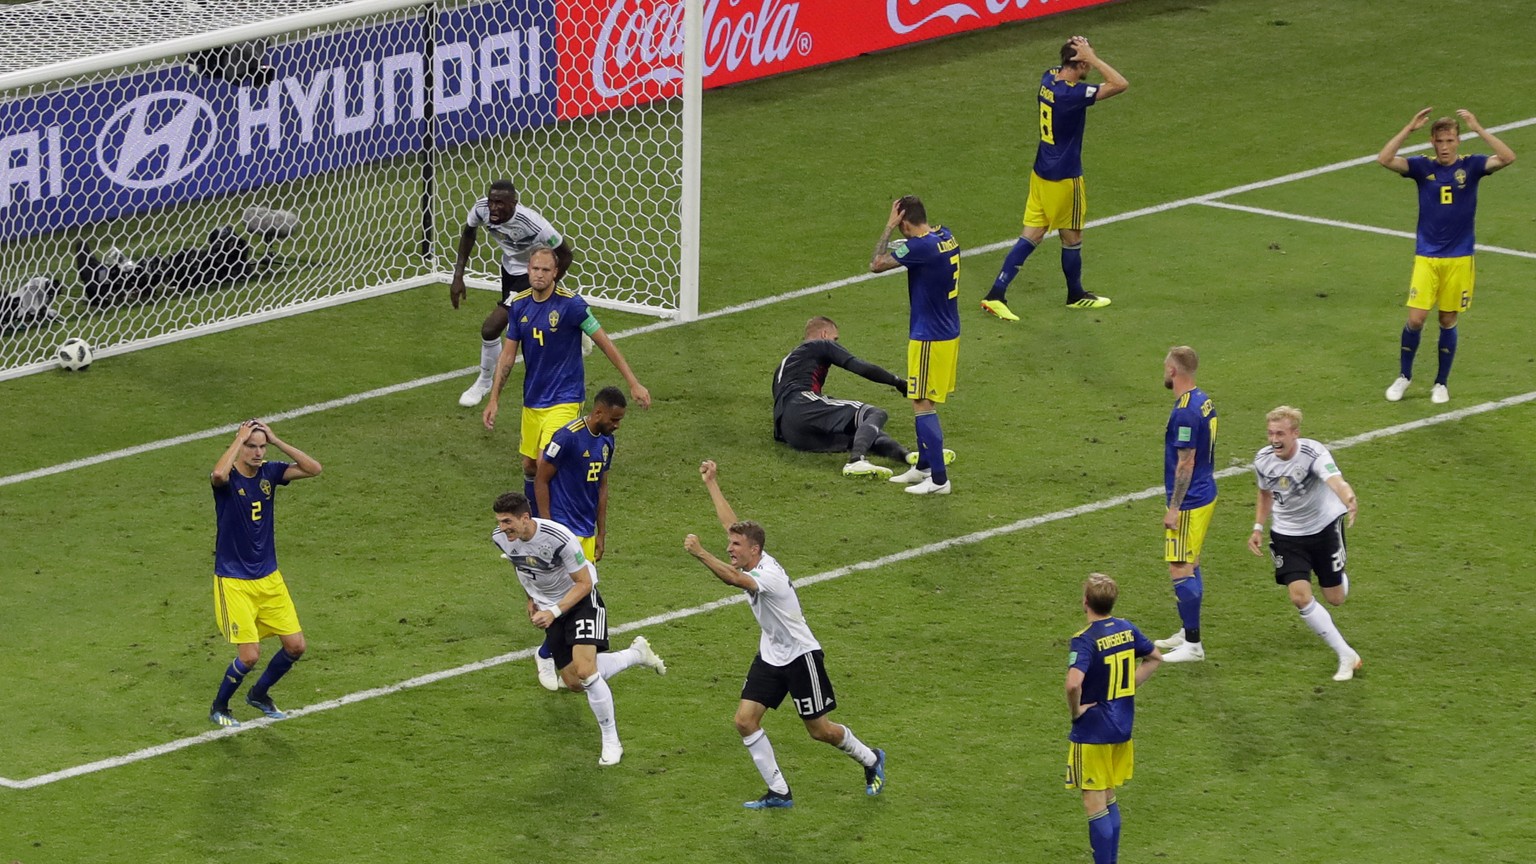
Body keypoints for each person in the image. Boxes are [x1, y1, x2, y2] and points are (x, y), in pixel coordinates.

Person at [684, 460, 886, 809]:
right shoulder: (751, 556)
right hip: (771, 654)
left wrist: (702, 553)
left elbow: (734, 581)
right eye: (729, 544)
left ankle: (871, 759)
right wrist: (712, 483)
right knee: (745, 721)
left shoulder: (768, 575)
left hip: (800, 656)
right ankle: (779, 792)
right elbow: (729, 522)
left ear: (755, 550)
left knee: (819, 731)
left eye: (735, 545)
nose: (730, 548)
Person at [491, 491, 666, 766]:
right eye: (500, 522)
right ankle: (636, 654)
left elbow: (584, 583)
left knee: (586, 671)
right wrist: (531, 599)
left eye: (507, 522)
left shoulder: (559, 537)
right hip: (550, 608)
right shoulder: (501, 539)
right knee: (574, 682)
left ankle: (611, 741)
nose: (503, 528)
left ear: (525, 518)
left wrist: (554, 611)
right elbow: (522, 566)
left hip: (581, 601)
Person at [482, 246, 651, 516]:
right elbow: (508, 356)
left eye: (545, 270)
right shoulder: (519, 305)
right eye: (535, 269)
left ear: (556, 273)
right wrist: (493, 399)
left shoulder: (571, 305)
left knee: (545, 461)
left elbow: (604, 342)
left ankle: (549, 526)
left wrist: (633, 382)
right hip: (533, 400)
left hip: (565, 398)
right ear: (528, 270)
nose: (539, 275)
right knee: (528, 465)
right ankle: (535, 520)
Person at [982, 35, 1127, 320]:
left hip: (1041, 173)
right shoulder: (1071, 95)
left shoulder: (1048, 79)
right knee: (1071, 237)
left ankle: (995, 294)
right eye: (1087, 62)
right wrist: (1094, 59)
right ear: (1082, 63)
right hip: (1064, 177)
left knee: (1032, 234)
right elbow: (1120, 84)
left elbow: (1066, 70)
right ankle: (1075, 295)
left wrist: (1079, 51)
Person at [1378, 108, 1516, 404]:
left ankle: (1441, 383)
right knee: (1415, 319)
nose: (1444, 146)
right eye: (1439, 140)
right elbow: (1385, 159)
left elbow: (1507, 157)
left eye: (1450, 140)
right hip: (1426, 257)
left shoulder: (1473, 166)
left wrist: (1479, 129)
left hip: (1460, 258)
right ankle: (1404, 376)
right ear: (1432, 141)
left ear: (1458, 141)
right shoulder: (1420, 167)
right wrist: (1407, 128)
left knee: (1447, 319)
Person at [208, 419, 323, 727]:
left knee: (296, 646)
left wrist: (277, 440)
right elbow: (218, 474)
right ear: (241, 446)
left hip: (269, 578)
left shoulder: (270, 473)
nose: (258, 452)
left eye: (261, 446)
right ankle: (219, 707)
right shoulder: (229, 478)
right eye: (251, 446)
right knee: (249, 656)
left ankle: (259, 694)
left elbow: (314, 469)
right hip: (233, 580)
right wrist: (238, 439)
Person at [1249, 406, 1363, 681]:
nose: (1274, 439)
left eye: (1280, 433)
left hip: (1324, 528)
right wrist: (1258, 528)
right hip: (1287, 535)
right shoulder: (1263, 460)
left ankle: (1335, 574)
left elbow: (1335, 480)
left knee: (1335, 598)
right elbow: (1265, 493)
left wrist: (1349, 498)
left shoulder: (1313, 453)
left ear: (1295, 433)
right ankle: (1346, 655)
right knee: (1299, 596)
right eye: (1270, 433)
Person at [529, 385, 629, 691]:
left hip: (586, 533)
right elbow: (541, 478)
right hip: (562, 531)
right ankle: (546, 654)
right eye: (613, 419)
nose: (616, 425)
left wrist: (602, 532)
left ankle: (550, 652)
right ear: (598, 411)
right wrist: (547, 527)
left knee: (578, 599)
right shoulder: (567, 436)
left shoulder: (607, 442)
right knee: (570, 598)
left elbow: (602, 487)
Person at [450, 179, 573, 407]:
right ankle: (570, 326)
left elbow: (565, 254)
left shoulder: (534, 224)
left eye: (500, 203)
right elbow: (469, 233)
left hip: (531, 274)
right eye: (491, 201)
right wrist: (458, 276)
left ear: (514, 203)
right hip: (508, 270)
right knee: (524, 326)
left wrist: (546, 284)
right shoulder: (481, 209)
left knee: (491, 328)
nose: (494, 208)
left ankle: (485, 382)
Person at [1065, 574, 1162, 864]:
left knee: (1094, 804)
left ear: (1085, 602)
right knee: (1108, 798)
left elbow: (1073, 684)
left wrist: (1077, 711)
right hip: (1122, 728)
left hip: (1093, 733)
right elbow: (1155, 657)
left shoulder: (1084, 640)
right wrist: (1125, 687)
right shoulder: (1127, 629)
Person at [869, 195, 960, 495]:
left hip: (929, 336)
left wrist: (887, 228)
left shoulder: (919, 247)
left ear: (904, 222)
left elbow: (876, 264)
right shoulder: (945, 235)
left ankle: (938, 479)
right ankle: (922, 466)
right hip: (947, 331)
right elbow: (917, 247)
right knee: (921, 400)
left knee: (922, 404)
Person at [773, 315, 933, 480]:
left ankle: (906, 456)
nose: (835, 342)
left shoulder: (785, 364)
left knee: (860, 433)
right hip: (803, 404)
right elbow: (860, 367)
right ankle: (856, 460)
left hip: (790, 431)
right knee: (874, 414)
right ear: (824, 334)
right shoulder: (820, 345)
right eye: (835, 338)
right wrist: (899, 383)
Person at [1154, 346, 1217, 664]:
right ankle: (1186, 629)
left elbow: (1186, 463)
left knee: (1179, 567)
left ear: (1173, 371)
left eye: (1166, 366)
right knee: (1190, 563)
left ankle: (1193, 644)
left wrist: (1175, 507)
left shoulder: (1185, 412)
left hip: (1190, 500)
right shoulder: (1202, 399)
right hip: (1205, 492)